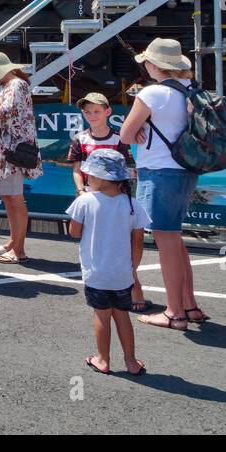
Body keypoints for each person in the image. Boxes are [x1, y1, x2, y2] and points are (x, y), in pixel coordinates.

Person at [118, 38, 206, 330]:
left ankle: (174, 313)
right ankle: (189, 306)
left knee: (166, 242)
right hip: (186, 170)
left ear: (153, 65)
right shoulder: (190, 89)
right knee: (176, 241)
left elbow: (126, 135)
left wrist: (141, 127)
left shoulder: (152, 93)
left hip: (158, 172)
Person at [66, 148, 150, 377]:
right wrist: (133, 269)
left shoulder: (85, 201)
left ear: (101, 178)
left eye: (89, 175)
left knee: (101, 315)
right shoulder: (133, 204)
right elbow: (138, 241)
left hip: (96, 273)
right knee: (122, 316)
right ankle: (131, 362)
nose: (86, 178)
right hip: (122, 274)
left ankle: (103, 360)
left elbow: (74, 232)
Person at [67, 93, 144, 311]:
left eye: (96, 111)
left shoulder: (120, 139)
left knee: (124, 244)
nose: (92, 115)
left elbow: (129, 169)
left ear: (108, 112)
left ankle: (134, 285)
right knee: (96, 246)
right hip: (90, 201)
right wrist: (81, 190)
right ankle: (99, 287)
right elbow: (76, 169)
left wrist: (119, 193)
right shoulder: (80, 138)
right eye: (87, 111)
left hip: (117, 200)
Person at [0, 51, 42, 265]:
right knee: (10, 198)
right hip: (7, 153)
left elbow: (6, 111)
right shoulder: (14, 84)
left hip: (11, 153)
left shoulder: (15, 85)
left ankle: (19, 249)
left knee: (14, 199)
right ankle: (13, 243)